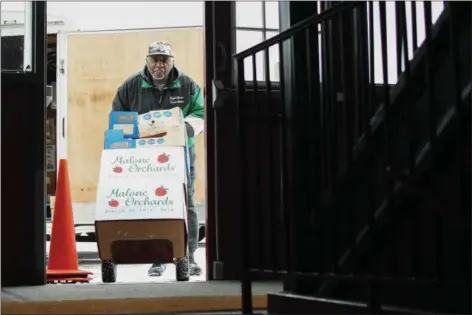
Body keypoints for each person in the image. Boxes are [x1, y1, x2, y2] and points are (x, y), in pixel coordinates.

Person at [111, 41, 204, 277]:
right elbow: (118, 116)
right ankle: (157, 259)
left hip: (180, 151)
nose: (159, 64)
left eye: (165, 59)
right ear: (147, 61)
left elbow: (201, 113)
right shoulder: (130, 87)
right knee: (153, 202)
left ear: (172, 61)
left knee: (186, 201)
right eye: (155, 59)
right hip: (145, 155)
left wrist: (182, 128)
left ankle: (189, 255)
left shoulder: (188, 85)